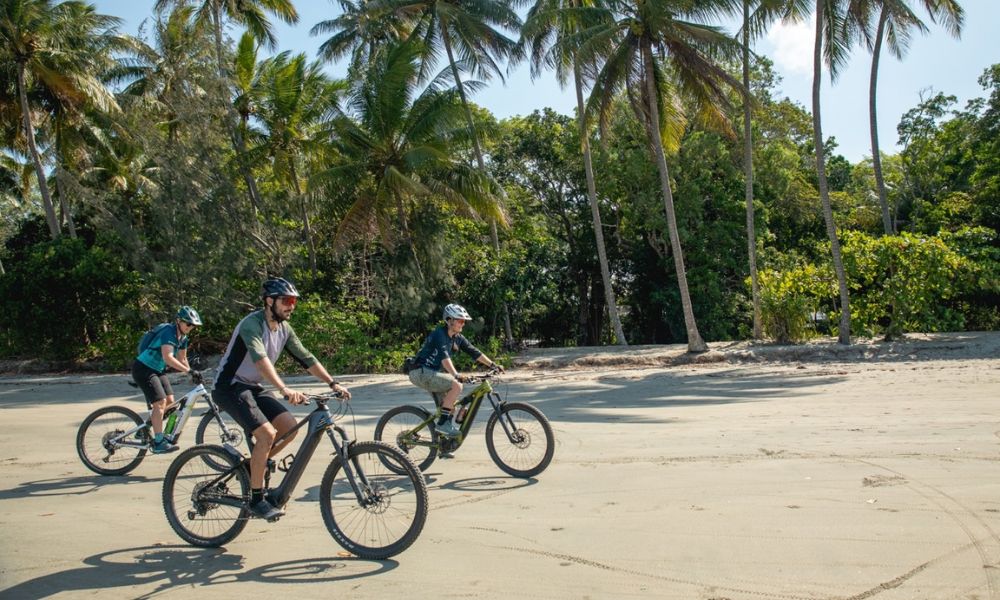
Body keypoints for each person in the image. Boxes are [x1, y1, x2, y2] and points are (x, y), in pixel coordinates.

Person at [212, 277, 351, 521]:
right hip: (229, 387)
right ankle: (257, 500)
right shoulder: (252, 324)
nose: (291, 306)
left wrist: (332, 383)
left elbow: (306, 358)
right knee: (266, 434)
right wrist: (284, 389)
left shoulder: (284, 329)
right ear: (269, 301)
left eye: (294, 301)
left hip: (252, 386)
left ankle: (254, 465)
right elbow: (260, 360)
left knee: (288, 427)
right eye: (286, 301)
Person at [408, 303, 504, 437]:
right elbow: (445, 359)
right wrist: (456, 375)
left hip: (432, 373)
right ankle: (443, 424)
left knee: (449, 406)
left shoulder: (457, 338)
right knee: (456, 385)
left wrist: (493, 365)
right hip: (420, 372)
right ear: (449, 320)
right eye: (460, 321)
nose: (463, 324)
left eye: (464, 321)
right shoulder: (440, 334)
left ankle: (443, 443)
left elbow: (474, 352)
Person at [131, 305, 202, 454]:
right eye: (188, 323)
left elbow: (182, 359)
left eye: (193, 325)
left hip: (157, 370)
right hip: (143, 368)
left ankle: (144, 429)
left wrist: (192, 374)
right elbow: (168, 357)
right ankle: (158, 442)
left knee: (171, 403)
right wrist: (189, 371)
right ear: (179, 321)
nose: (190, 327)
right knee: (160, 403)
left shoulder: (183, 338)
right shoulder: (168, 331)